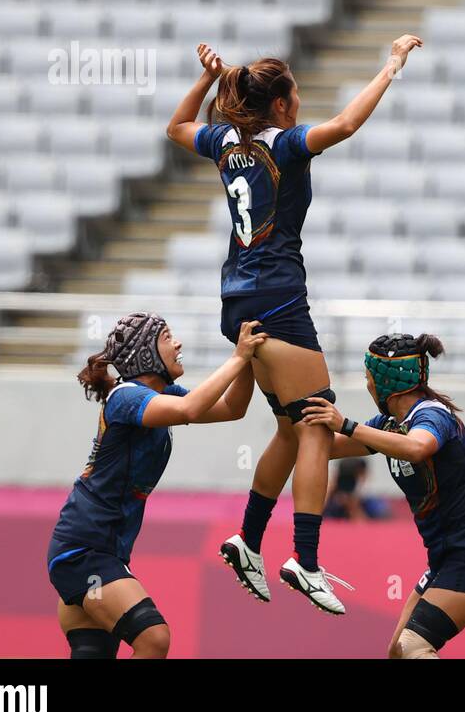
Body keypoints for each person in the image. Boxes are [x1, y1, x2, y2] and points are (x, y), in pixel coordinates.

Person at [164, 35, 421, 615]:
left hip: (234, 298)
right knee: (313, 428)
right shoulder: (286, 143)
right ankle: (305, 560)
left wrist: (206, 81)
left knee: (287, 429)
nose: (301, 101)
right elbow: (348, 124)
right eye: (296, 93)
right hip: (280, 299)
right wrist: (392, 65)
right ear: (280, 104)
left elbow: (176, 127)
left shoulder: (225, 140)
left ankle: (249, 540)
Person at [47, 314, 266, 658]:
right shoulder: (126, 397)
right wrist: (238, 357)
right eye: (167, 337)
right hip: (86, 551)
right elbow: (191, 409)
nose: (177, 344)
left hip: (97, 553)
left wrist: (251, 360)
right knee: (154, 638)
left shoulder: (159, 393)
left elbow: (232, 408)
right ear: (145, 352)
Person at [299, 334, 465, 659]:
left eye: (368, 379)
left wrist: (345, 423)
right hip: (445, 558)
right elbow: (327, 448)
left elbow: (417, 447)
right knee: (398, 652)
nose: (367, 386)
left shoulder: (433, 415)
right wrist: (290, 415)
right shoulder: (389, 423)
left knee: (413, 647)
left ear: (386, 382)